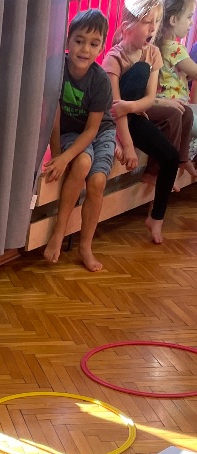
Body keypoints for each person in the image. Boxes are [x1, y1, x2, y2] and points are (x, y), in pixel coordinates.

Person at [43, 10, 116, 272]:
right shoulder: (57, 69)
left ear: (101, 47)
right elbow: (54, 117)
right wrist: (57, 154)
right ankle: (59, 231)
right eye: (79, 41)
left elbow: (93, 129)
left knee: (97, 182)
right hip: (71, 131)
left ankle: (85, 246)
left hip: (100, 131)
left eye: (93, 44)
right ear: (68, 41)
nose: (85, 49)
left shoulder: (100, 81)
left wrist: (65, 157)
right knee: (83, 163)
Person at [103, 0, 180, 243]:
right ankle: (115, 138)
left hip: (134, 114)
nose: (153, 28)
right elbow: (114, 109)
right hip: (114, 119)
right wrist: (127, 145)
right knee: (138, 70)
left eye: (156, 22)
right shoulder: (113, 58)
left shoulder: (152, 53)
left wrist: (130, 107)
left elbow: (148, 99)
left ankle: (156, 218)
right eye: (147, 22)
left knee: (171, 157)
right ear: (127, 26)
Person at [156, 0, 197, 168]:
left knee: (189, 113)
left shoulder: (161, 45)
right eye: (188, 17)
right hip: (173, 103)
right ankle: (185, 157)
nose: (191, 23)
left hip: (166, 100)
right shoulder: (175, 48)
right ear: (173, 20)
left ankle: (185, 158)